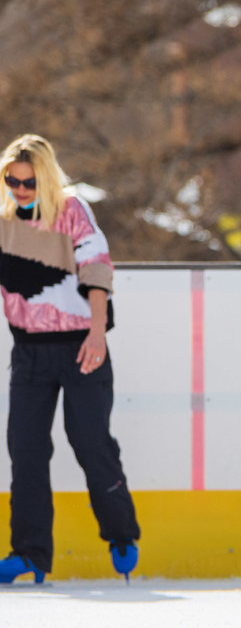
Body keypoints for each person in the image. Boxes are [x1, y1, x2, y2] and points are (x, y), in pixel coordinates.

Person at [0, 135, 141, 586]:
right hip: (29, 351)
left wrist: (97, 332)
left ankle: (122, 535)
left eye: (28, 181)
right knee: (25, 450)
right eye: (11, 180)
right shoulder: (3, 221)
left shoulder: (71, 209)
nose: (20, 190)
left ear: (44, 177)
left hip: (82, 345)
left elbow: (96, 268)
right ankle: (30, 554)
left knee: (90, 442)